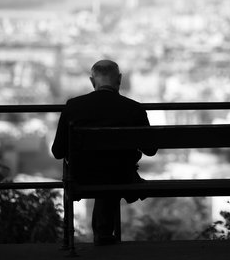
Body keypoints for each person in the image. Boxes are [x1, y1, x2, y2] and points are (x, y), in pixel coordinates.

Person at [51, 59, 157, 245]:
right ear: (120, 80)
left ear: (93, 82)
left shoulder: (73, 106)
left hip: (81, 176)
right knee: (111, 168)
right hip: (120, 175)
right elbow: (151, 150)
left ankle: (100, 234)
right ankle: (103, 233)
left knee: (101, 168)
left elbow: (58, 151)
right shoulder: (134, 109)